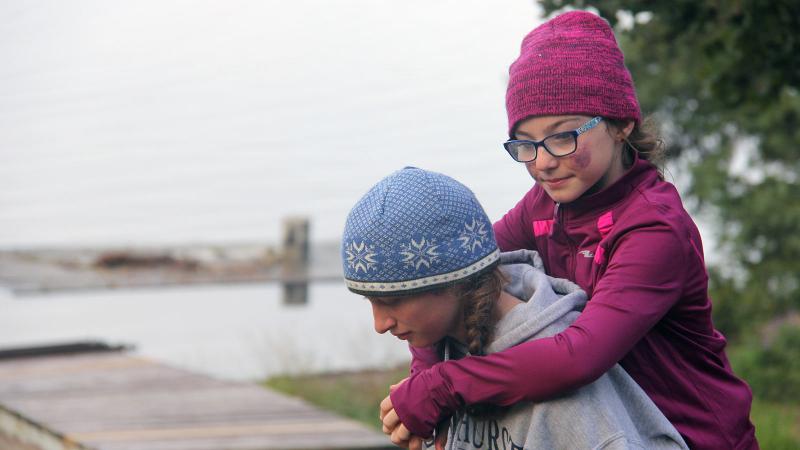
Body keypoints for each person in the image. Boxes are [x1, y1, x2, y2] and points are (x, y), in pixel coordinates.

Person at [378, 10, 758, 450]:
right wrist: (425, 379)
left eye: (563, 137)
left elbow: (580, 356)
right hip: (600, 426)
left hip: (688, 435)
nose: (542, 161)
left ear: (620, 124)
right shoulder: (545, 205)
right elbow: (459, 272)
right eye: (525, 143)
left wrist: (445, 386)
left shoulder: (653, 227)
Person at [341, 167, 689, 450]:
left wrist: (438, 387)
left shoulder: (567, 404)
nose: (379, 324)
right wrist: (424, 383)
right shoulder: (452, 344)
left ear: (454, 282)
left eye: (392, 300)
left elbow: (577, 361)